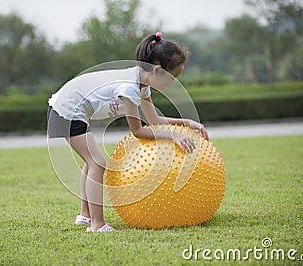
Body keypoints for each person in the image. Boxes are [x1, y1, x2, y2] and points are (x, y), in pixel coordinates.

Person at [47, 32, 209, 233]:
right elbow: (139, 131)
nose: (172, 84)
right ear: (157, 70)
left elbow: (154, 121)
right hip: (66, 109)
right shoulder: (130, 86)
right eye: (172, 77)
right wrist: (174, 136)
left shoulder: (142, 85)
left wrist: (186, 123)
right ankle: (97, 224)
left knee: (92, 162)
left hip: (69, 107)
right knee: (96, 162)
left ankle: (85, 216)